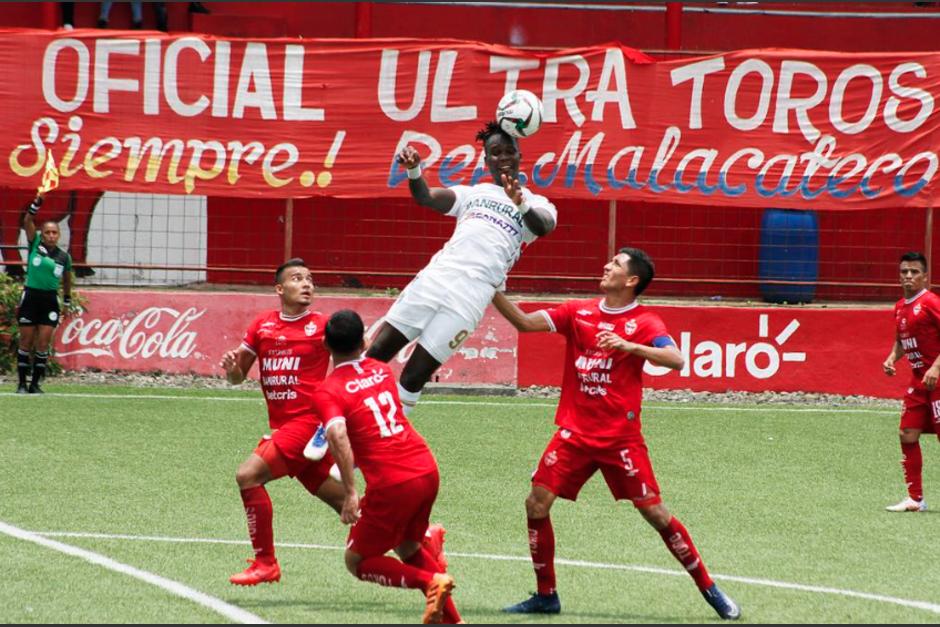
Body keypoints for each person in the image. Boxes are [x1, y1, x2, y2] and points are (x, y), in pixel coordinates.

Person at [491, 247, 741, 621]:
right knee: (536, 503)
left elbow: (676, 359)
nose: (606, 266)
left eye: (616, 265)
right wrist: (491, 289)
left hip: (619, 439)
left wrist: (629, 346)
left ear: (631, 280)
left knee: (655, 514)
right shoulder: (579, 312)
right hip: (574, 434)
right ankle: (546, 596)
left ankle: (710, 589)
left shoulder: (645, 321)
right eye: (609, 261)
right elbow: (525, 324)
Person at [366, 121, 557, 416]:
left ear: (520, 155)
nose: (503, 157)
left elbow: (542, 227)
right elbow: (427, 198)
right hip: (435, 279)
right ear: (486, 160)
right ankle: (327, 430)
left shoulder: (537, 202)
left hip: (472, 296)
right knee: (375, 355)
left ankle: (384, 445)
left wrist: (520, 205)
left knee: (414, 377)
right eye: (496, 152)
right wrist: (414, 171)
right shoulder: (473, 193)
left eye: (509, 151)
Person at [314, 309, 461, 624]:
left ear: (326, 344)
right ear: (365, 341)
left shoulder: (328, 390)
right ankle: (455, 622)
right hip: (425, 467)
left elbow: (337, 433)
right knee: (408, 545)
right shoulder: (381, 371)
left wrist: (351, 492)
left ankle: (429, 581)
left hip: (393, 483)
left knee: (357, 560)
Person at [219, 258, 346, 585]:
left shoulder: (323, 325)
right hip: (288, 430)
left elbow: (354, 363)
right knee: (349, 504)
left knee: (248, 475)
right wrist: (232, 368)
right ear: (279, 288)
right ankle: (422, 538)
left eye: (310, 279)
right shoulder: (262, 325)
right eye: (297, 279)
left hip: (308, 424)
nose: (307, 284)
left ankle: (266, 563)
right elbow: (237, 378)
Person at [882, 251, 940, 512]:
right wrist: (892, 357)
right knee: (907, 434)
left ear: (925, 276)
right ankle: (916, 500)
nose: (908, 276)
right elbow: (902, 340)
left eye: (914, 272)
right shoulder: (899, 307)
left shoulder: (930, 302)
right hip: (919, 382)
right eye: (904, 271)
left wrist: (937, 367)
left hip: (938, 380)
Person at [16, 194, 72, 395]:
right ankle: (22, 384)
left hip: (49, 300)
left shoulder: (63, 257)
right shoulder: (35, 244)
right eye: (47, 232)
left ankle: (35, 384)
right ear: (42, 233)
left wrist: (67, 299)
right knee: (25, 341)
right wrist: (34, 205)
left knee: (42, 343)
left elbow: (67, 279)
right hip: (31, 297)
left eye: (54, 233)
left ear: (58, 235)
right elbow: (27, 221)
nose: (50, 235)